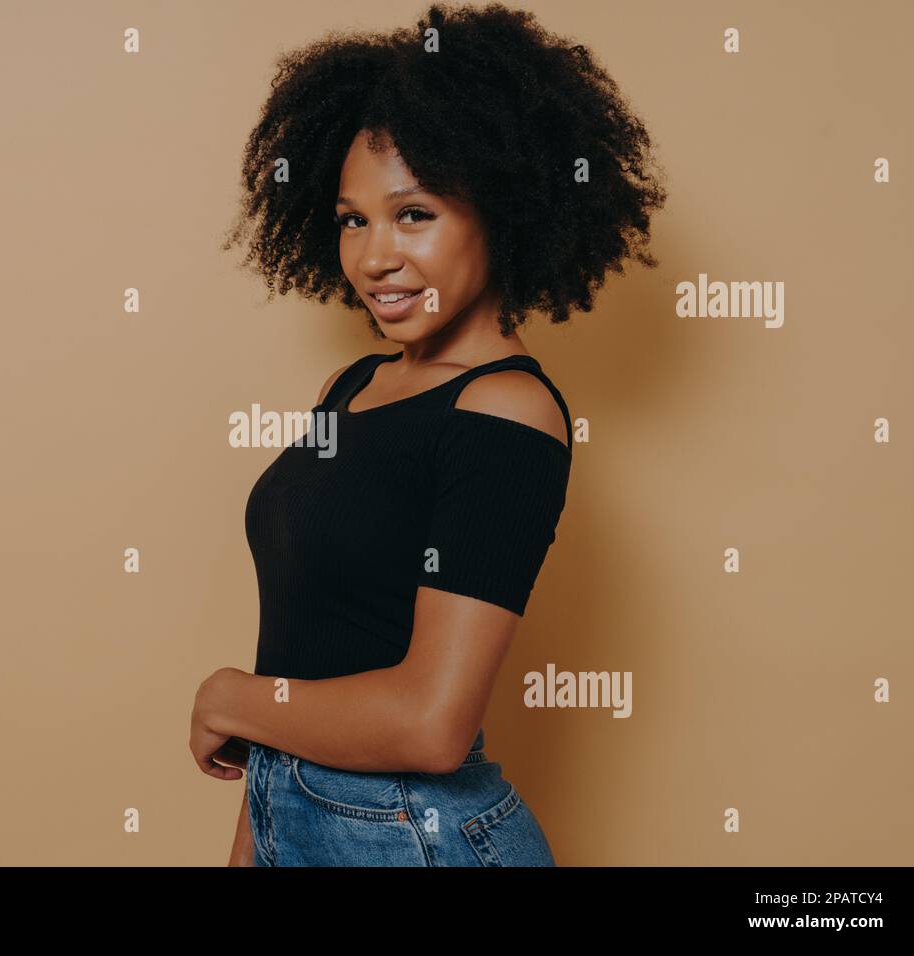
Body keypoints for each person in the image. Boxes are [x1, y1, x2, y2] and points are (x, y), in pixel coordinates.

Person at [193, 1, 666, 866]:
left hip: (417, 838)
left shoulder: (509, 415)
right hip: (292, 819)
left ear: (504, 211)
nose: (374, 257)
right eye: (351, 219)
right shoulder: (353, 386)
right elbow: (303, 642)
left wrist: (231, 698)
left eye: (414, 215)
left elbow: (430, 724)